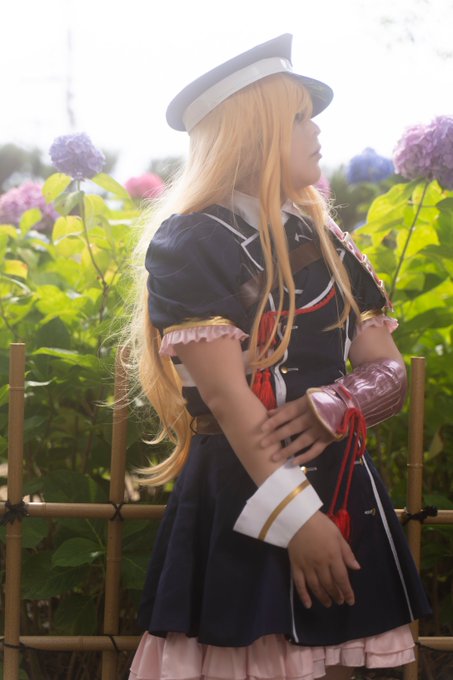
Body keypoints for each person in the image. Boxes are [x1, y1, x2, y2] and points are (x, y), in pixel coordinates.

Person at [127, 34, 430, 680]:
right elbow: (227, 399)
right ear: (252, 134)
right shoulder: (192, 242)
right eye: (297, 118)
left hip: (342, 485)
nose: (315, 130)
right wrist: (298, 522)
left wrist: (336, 404)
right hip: (243, 491)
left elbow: (388, 369)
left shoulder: (328, 239)